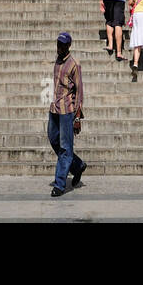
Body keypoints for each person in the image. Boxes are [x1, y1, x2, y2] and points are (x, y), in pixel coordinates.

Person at [47, 32, 86, 196]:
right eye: (58, 44)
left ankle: (60, 184)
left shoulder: (74, 64)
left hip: (67, 110)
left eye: (62, 45)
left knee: (65, 147)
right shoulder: (57, 61)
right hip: (55, 108)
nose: (59, 47)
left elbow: (80, 92)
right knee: (53, 138)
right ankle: (77, 165)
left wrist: (77, 117)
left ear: (68, 46)